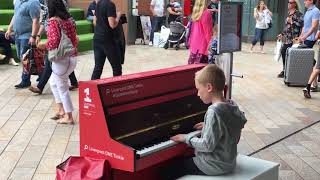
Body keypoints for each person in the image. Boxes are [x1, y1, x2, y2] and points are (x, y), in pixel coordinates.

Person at [168, 65, 247, 179]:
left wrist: (186, 138)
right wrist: (209, 126)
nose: (198, 94)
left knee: (168, 170)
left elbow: (207, 145)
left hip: (211, 165)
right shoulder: (231, 105)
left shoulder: (213, 111)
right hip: (228, 162)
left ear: (209, 87)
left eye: (199, 89)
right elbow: (232, 123)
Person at [37, 0, 78, 124]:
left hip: (61, 59)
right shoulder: (70, 20)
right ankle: (61, 110)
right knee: (54, 83)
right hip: (71, 57)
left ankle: (69, 117)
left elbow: (54, 42)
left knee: (62, 87)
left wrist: (42, 45)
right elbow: (75, 38)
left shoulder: (54, 21)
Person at [28, 0, 78, 95]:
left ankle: (40, 86)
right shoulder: (44, 3)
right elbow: (44, 21)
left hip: (59, 37)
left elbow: (65, 17)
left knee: (51, 63)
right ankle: (74, 82)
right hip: (54, 35)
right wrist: (38, 35)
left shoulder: (57, 5)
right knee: (62, 63)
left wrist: (44, 45)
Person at [5, 0, 40, 88]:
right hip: (17, 35)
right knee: (22, 57)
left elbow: (35, 20)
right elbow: (15, 15)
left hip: (27, 35)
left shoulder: (33, 2)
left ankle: (25, 81)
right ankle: (42, 73)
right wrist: (9, 28)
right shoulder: (17, 2)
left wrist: (33, 36)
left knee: (25, 59)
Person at [91, 0, 122, 80]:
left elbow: (94, 22)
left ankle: (91, 90)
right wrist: (118, 16)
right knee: (117, 67)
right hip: (108, 40)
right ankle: (117, 90)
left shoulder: (98, 4)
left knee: (98, 67)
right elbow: (112, 25)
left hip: (97, 38)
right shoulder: (110, 4)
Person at [277, 0, 303, 78]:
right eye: (288, 2)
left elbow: (301, 25)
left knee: (290, 54)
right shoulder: (289, 14)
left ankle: (288, 71)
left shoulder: (298, 14)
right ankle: (285, 70)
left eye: (291, 2)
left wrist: (292, 22)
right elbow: (286, 27)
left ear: (295, 4)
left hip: (294, 38)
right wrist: (281, 34)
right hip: (287, 38)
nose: (289, 3)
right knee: (283, 52)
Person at [188, 0, 212, 64]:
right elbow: (208, 33)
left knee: (192, 69)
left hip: (194, 45)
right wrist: (211, 46)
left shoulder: (196, 12)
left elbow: (192, 30)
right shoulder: (206, 13)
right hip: (203, 47)